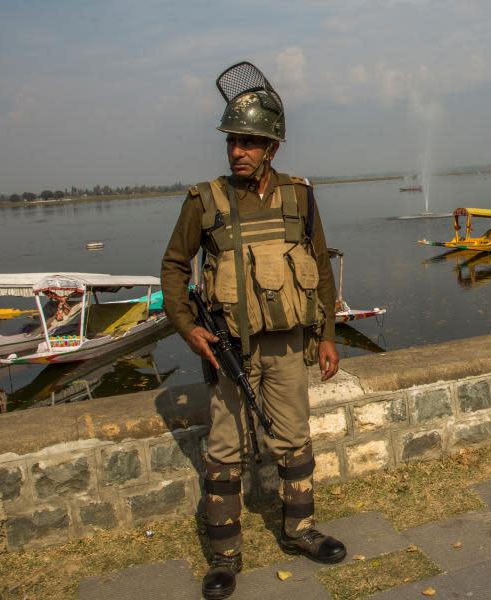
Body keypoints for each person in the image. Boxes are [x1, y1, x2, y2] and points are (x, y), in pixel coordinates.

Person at [160, 62, 346, 600]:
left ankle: (299, 530)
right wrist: (189, 328)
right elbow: (175, 266)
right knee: (224, 449)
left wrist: (328, 333)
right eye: (232, 141)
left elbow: (320, 265)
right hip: (230, 349)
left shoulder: (298, 196)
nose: (237, 151)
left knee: (294, 439)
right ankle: (224, 556)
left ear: (272, 148)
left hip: (289, 343)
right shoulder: (205, 201)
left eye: (249, 142)